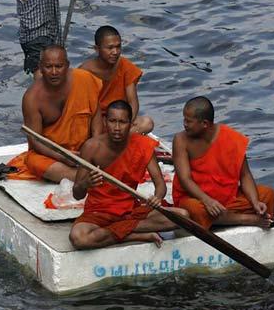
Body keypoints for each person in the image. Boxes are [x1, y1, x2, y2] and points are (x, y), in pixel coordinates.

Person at [70, 100, 188, 249]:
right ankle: (133, 235)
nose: (117, 128)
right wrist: (85, 184)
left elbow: (160, 185)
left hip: (130, 211)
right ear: (105, 121)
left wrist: (157, 198)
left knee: (182, 217)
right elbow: (77, 194)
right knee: (78, 238)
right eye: (112, 121)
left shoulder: (142, 145)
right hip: (98, 212)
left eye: (122, 122)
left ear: (131, 124)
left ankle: (121, 230)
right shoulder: (92, 147)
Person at [172, 96, 274, 229]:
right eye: (184, 119)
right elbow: (185, 179)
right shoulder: (181, 140)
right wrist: (207, 200)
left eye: (189, 121)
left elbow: (245, 175)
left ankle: (226, 218)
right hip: (197, 198)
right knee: (195, 210)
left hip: (226, 198)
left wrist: (255, 202)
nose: (184, 124)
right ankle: (247, 219)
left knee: (267, 194)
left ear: (204, 123)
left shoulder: (231, 138)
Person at [7, 44, 102, 182]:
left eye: (59, 66)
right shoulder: (32, 98)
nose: (54, 72)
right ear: (40, 67)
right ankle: (83, 177)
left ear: (67, 65)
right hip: (53, 155)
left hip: (85, 149)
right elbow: (35, 141)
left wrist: (93, 149)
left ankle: (88, 173)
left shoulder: (84, 79)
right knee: (34, 162)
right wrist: (63, 156)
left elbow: (96, 118)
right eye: (48, 67)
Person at [80, 25, 154, 134]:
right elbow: (82, 109)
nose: (115, 52)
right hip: (94, 123)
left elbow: (133, 103)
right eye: (110, 48)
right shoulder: (84, 72)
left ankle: (113, 138)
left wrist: (124, 124)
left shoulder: (124, 65)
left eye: (118, 47)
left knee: (147, 123)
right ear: (97, 49)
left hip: (119, 121)